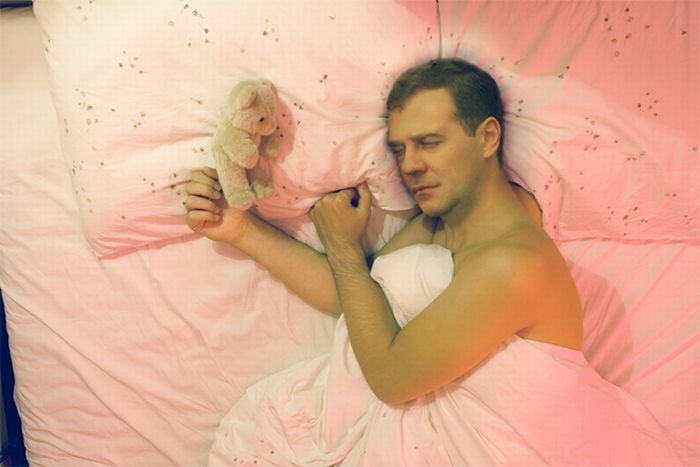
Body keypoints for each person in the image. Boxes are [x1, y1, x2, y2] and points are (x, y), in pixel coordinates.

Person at [186, 59, 680, 465]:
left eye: (430, 143)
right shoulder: (440, 224)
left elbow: (392, 379)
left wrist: (344, 249)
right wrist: (241, 230)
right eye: (399, 149)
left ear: (487, 138)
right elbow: (357, 299)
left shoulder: (516, 263)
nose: (410, 165)